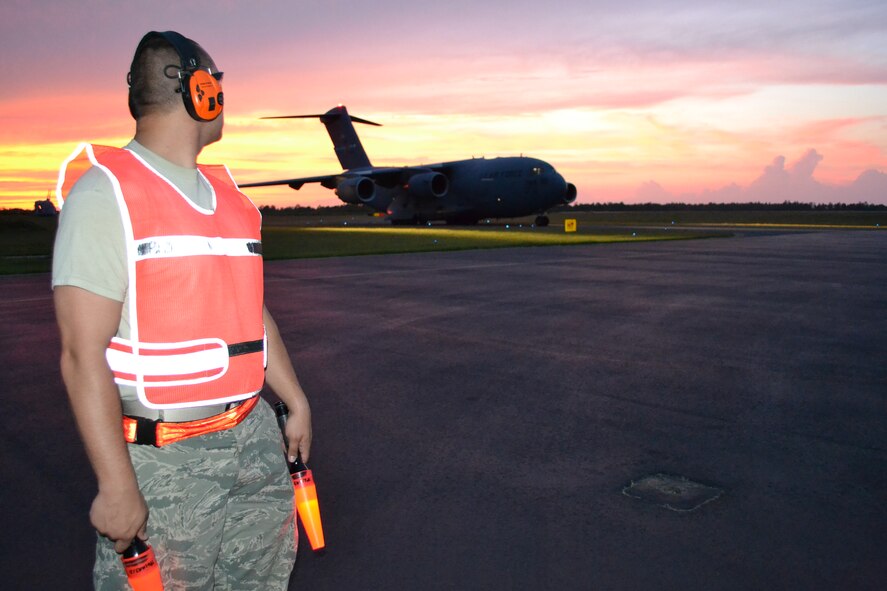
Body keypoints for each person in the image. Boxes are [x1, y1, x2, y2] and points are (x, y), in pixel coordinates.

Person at [52, 30, 312, 590]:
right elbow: (81, 353)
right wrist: (116, 486)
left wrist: (291, 399)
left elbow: (250, 311)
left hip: (252, 440)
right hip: (167, 462)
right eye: (216, 82)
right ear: (200, 90)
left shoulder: (231, 199)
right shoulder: (107, 194)